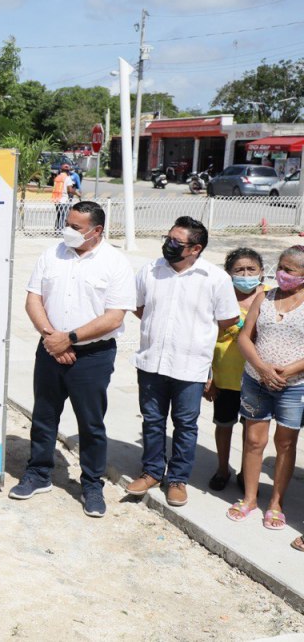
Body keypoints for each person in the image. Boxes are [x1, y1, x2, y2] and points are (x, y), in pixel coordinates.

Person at [9, 201, 137, 517]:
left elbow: (114, 317)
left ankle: (92, 484)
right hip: (50, 347)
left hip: (92, 356)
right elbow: (33, 299)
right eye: (67, 223)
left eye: (75, 227)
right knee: (44, 415)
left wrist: (71, 338)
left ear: (97, 230)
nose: (67, 230)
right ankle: (38, 473)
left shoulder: (115, 263)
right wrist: (52, 337)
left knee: (91, 423)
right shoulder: (52, 254)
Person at [127, 217, 240, 507]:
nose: (168, 244)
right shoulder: (150, 270)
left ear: (195, 248)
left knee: (186, 425)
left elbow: (227, 319)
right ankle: (152, 471)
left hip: (191, 367)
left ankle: (177, 479)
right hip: (151, 362)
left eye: (176, 242)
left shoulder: (215, 279)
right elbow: (139, 308)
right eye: (168, 238)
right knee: (152, 421)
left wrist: (192, 336)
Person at [232, 246, 304, 535]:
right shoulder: (265, 297)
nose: (282, 274)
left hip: (293, 386)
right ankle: (249, 498)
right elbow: (244, 337)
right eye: (280, 267)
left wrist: (287, 371)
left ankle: (276, 502)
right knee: (253, 440)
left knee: (285, 444)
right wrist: (262, 368)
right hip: (256, 381)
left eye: (289, 270)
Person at [204, 248, 267, 492]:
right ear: (228, 273)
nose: (246, 274)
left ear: (261, 271)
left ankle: (245, 473)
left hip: (258, 378)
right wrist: (208, 376)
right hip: (224, 378)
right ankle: (222, 469)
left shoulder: (270, 297)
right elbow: (205, 338)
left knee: (252, 430)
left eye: (251, 269)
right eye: (239, 270)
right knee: (224, 424)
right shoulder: (220, 296)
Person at [51, 164, 75, 233]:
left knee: (59, 215)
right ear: (68, 171)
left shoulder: (57, 177)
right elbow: (70, 190)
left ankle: (57, 230)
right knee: (63, 216)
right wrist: (76, 193)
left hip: (56, 199)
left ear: (61, 170)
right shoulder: (67, 178)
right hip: (64, 200)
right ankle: (60, 231)